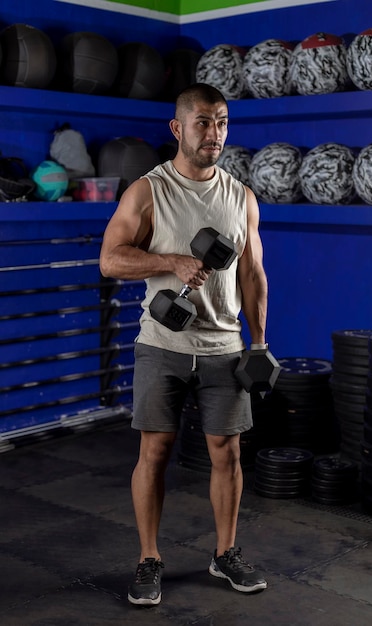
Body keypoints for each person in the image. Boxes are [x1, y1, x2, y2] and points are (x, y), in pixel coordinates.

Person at [99, 82, 269, 606]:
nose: (213, 132)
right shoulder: (149, 191)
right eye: (202, 121)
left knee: (227, 452)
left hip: (225, 346)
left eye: (221, 121)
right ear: (178, 128)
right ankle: (150, 558)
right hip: (162, 344)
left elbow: (254, 274)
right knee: (156, 450)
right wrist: (170, 261)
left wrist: (258, 344)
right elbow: (110, 259)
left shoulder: (241, 196)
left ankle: (225, 554)